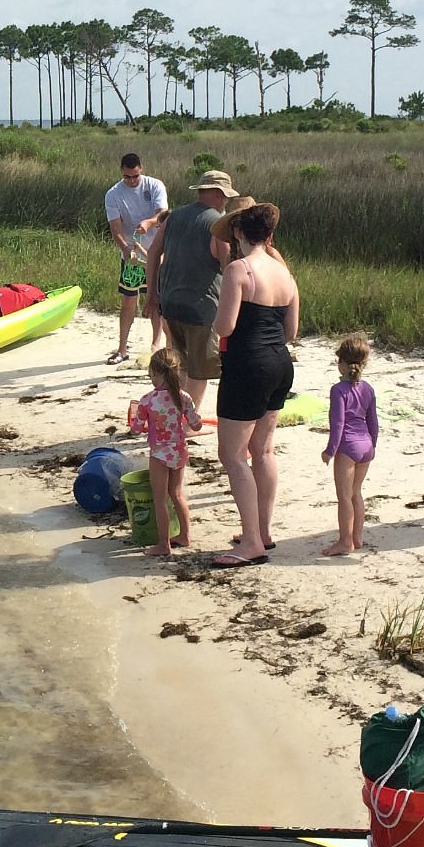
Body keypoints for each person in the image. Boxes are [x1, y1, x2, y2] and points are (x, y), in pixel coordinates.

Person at [208, 201, 299, 568]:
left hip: (248, 366)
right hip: (280, 363)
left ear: (241, 234)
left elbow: (224, 327)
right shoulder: (285, 273)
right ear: (269, 235)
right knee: (263, 450)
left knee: (232, 455)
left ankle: (251, 543)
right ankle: (262, 530)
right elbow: (290, 331)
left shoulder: (238, 270)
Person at [145, 169, 236, 410]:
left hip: (171, 302)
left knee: (179, 363)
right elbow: (229, 267)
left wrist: (152, 293)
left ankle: (176, 413)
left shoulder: (173, 217)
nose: (226, 202)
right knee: (200, 369)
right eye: (225, 197)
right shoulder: (218, 224)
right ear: (218, 194)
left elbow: (153, 252)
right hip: (201, 308)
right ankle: (188, 419)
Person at [126, 347, 201, 558]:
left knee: (159, 499)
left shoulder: (147, 400)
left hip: (159, 453)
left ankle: (163, 544)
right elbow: (195, 425)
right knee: (177, 494)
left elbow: (136, 430)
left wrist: (134, 420)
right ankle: (185, 535)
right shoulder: (183, 397)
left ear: (155, 374)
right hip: (179, 451)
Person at [104, 153, 168, 365]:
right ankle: (122, 348)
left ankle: (155, 346)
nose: (131, 180)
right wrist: (125, 249)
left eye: (135, 176)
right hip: (133, 255)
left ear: (141, 169)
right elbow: (115, 228)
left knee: (157, 300)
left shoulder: (155, 185)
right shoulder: (113, 194)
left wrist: (149, 222)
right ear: (122, 172)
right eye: (127, 177)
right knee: (129, 300)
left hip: (156, 252)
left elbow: (163, 214)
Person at [320, 334, 379, 556]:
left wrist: (330, 450)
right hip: (366, 445)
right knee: (356, 493)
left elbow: (338, 424)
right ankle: (357, 537)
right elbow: (373, 422)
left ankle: (345, 541)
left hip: (348, 446)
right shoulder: (368, 388)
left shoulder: (338, 390)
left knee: (344, 496)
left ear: (343, 364)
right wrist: (372, 445)